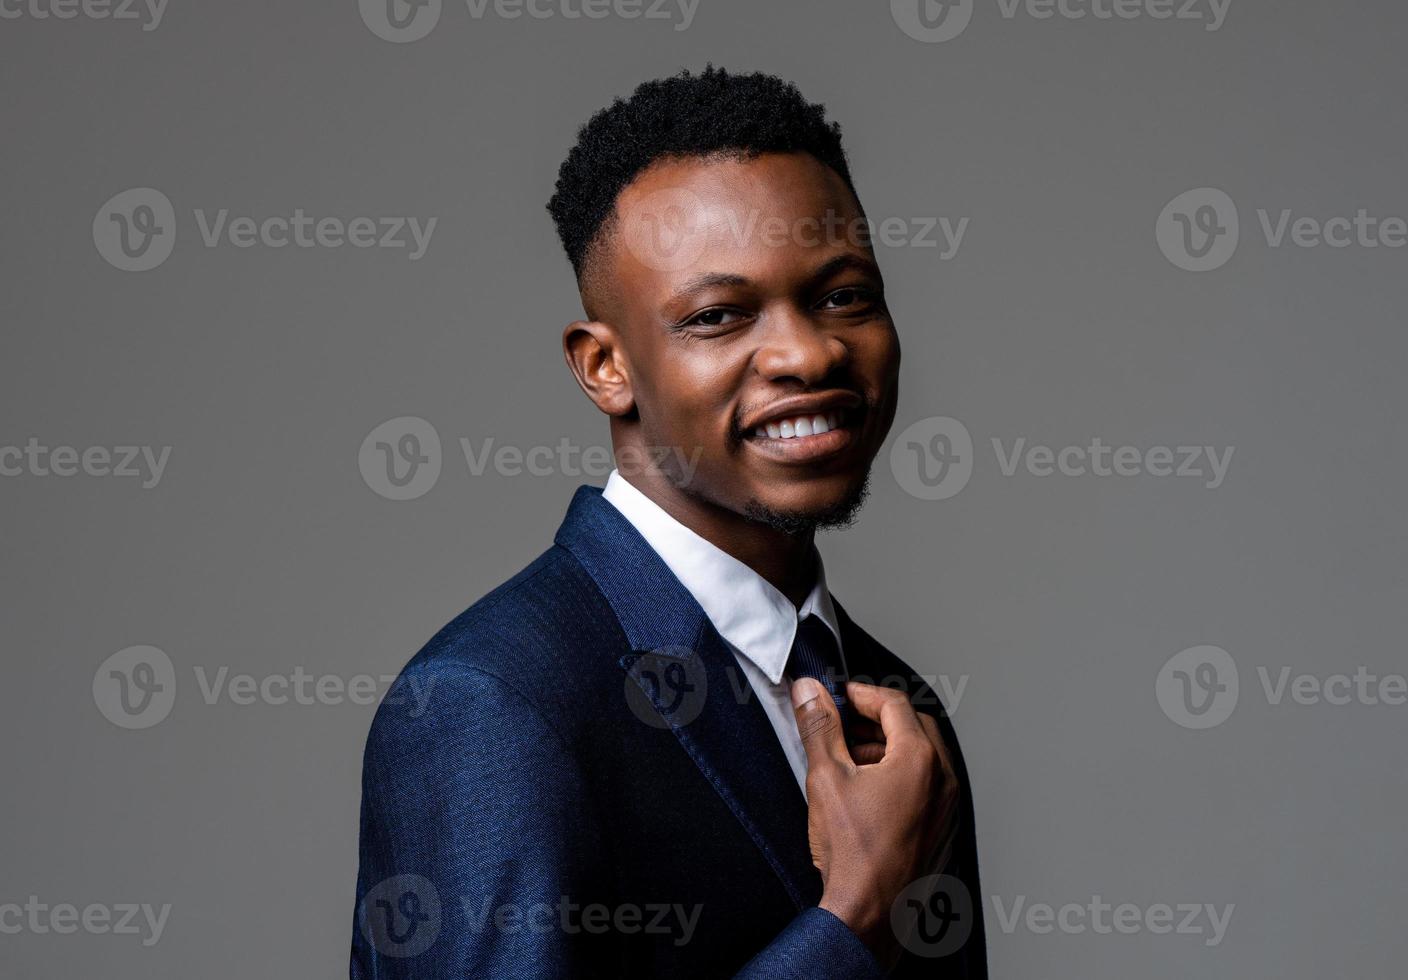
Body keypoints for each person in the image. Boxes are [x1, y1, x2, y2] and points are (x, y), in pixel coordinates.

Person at [351, 65, 985, 978]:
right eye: (719, 316)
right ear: (605, 367)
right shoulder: (491, 704)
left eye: (844, 295)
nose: (810, 352)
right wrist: (852, 925)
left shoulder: (894, 703)